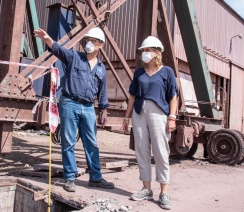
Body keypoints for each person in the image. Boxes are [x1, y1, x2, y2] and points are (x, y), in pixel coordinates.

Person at [33, 27, 114, 192]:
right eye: (88, 40)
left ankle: (96, 178)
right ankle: (70, 177)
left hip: (89, 107)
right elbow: (58, 50)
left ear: (101, 45)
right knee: (68, 142)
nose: (89, 43)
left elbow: (103, 91)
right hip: (70, 103)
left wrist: (104, 110)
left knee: (91, 143)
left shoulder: (101, 68)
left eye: (93, 41)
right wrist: (47, 38)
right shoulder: (74, 57)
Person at [122, 36, 178, 210]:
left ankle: (164, 193)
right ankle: (146, 189)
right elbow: (132, 95)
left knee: (161, 151)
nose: (144, 54)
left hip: (159, 114)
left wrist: (172, 117)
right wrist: (126, 116)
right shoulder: (139, 72)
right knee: (142, 150)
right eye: (143, 51)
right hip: (139, 113)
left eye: (147, 50)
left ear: (156, 52)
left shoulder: (167, 71)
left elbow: (173, 96)